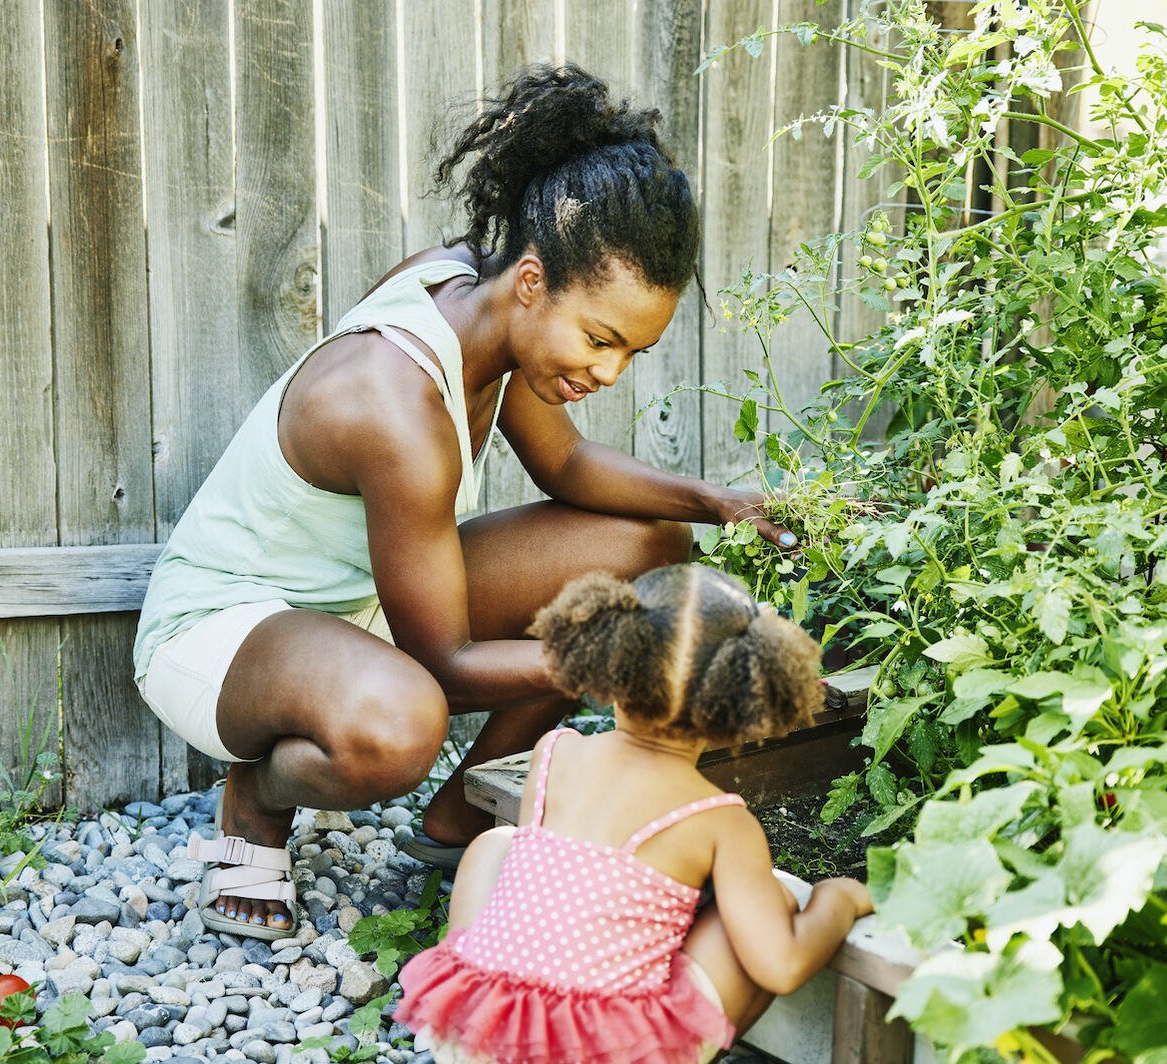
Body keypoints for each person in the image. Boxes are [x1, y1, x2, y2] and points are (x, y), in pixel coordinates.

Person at [132, 63, 795, 939]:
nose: (607, 371)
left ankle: (460, 820)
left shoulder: (480, 298)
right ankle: (256, 801)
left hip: (364, 596)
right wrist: (633, 661)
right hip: (225, 627)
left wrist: (719, 501)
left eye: (631, 352)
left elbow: (566, 467)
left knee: (645, 550)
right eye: (600, 338)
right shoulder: (395, 406)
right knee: (403, 719)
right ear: (532, 281)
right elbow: (441, 662)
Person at [395, 564, 873, 1064]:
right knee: (768, 898)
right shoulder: (718, 819)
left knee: (498, 843)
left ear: (608, 660)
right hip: (603, 1054)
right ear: (746, 697)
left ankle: (469, 993)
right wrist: (838, 899)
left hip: (479, 1039)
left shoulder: (554, 752)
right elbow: (781, 965)